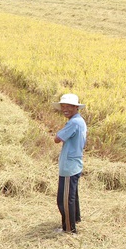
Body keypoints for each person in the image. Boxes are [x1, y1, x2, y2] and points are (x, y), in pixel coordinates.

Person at [54, 93, 87, 233]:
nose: (65, 109)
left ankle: (69, 229)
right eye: (63, 106)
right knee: (72, 195)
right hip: (75, 162)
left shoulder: (73, 123)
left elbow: (57, 138)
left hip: (69, 165)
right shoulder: (80, 121)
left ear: (76, 107)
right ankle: (75, 219)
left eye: (69, 106)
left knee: (64, 199)